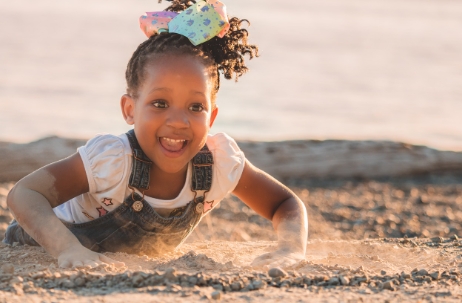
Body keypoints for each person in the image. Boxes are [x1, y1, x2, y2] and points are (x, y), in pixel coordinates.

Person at [4, 0, 307, 269]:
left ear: (212, 116)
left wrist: (290, 248)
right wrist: (69, 250)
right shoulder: (113, 162)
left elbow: (284, 203)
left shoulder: (218, 164)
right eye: (160, 103)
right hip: (39, 236)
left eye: (195, 106)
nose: (178, 121)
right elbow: (25, 194)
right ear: (130, 109)